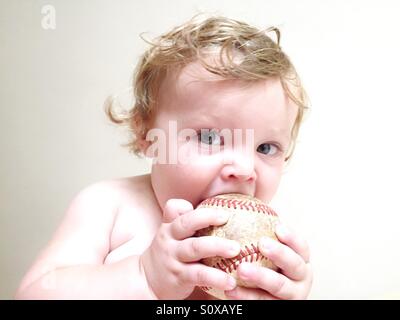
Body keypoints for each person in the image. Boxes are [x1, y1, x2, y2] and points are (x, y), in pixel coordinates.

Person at [15, 14, 313, 300]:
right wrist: (144, 277)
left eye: (265, 148)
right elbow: (33, 294)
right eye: (209, 138)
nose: (245, 169)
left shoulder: (266, 243)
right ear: (147, 136)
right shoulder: (109, 206)